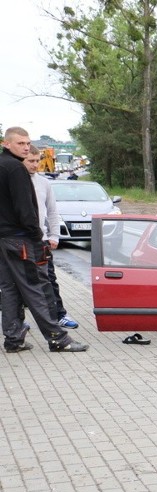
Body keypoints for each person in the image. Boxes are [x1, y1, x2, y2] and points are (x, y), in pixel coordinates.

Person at [0, 126, 87, 353]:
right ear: (6, 144)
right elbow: (25, 209)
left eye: (27, 143)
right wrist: (38, 237)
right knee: (36, 288)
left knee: (9, 289)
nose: (26, 147)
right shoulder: (16, 169)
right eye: (21, 143)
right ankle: (58, 338)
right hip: (22, 241)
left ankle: (13, 339)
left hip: (4, 241)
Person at [23, 146, 79, 328]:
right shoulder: (12, 181)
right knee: (17, 282)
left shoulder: (44, 183)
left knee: (49, 279)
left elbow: (52, 211)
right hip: (18, 240)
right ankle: (17, 320)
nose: (35, 165)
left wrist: (54, 235)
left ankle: (59, 314)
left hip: (41, 239)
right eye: (30, 161)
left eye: (37, 160)